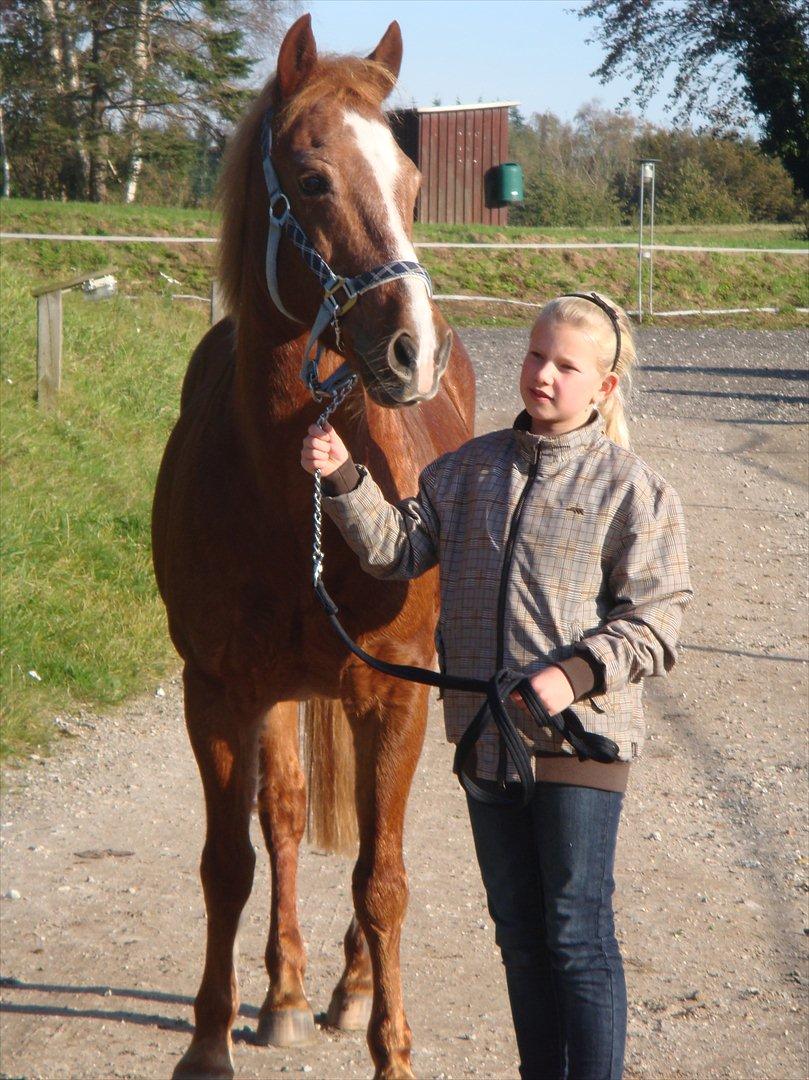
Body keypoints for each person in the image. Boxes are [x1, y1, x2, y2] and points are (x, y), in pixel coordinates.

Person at [300, 292, 692, 1080]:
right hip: (487, 743)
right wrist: (344, 478)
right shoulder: (464, 471)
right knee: (516, 931)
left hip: (582, 742)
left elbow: (654, 624)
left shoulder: (634, 489)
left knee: (575, 931)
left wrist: (570, 675)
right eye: (534, 356)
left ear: (603, 388)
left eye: (564, 366)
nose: (542, 375)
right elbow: (397, 552)